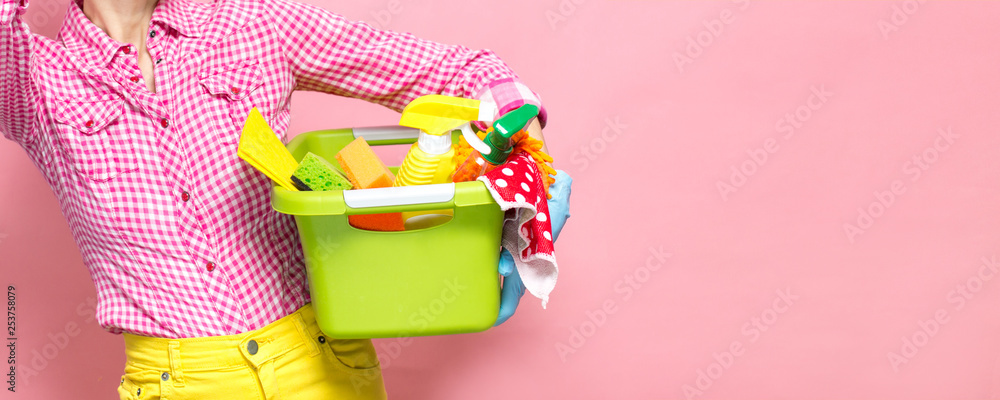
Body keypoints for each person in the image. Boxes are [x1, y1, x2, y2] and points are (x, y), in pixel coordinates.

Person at [0, 0, 572, 397]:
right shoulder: (32, 78)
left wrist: (524, 155)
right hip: (177, 381)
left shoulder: (254, 23)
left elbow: (458, 70)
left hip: (321, 362)